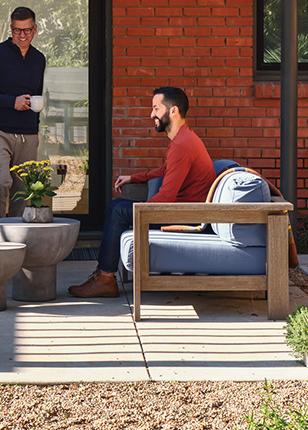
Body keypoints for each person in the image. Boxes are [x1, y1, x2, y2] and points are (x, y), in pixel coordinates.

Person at [68, 85, 215, 298]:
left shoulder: (182, 144)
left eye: (156, 108)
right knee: (118, 207)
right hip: (185, 211)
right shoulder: (184, 139)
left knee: (117, 209)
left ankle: (105, 278)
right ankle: (104, 276)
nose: (151, 114)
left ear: (173, 111)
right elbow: (167, 170)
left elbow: (165, 198)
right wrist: (134, 178)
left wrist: (140, 213)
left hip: (186, 217)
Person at [0, 5, 47, 218]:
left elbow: (36, 93)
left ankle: (16, 235)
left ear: (35, 29)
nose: (22, 35)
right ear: (11, 29)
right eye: (17, 30)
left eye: (27, 30)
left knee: (22, 189)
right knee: (1, 181)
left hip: (28, 133)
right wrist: (10, 102)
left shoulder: (39, 59)